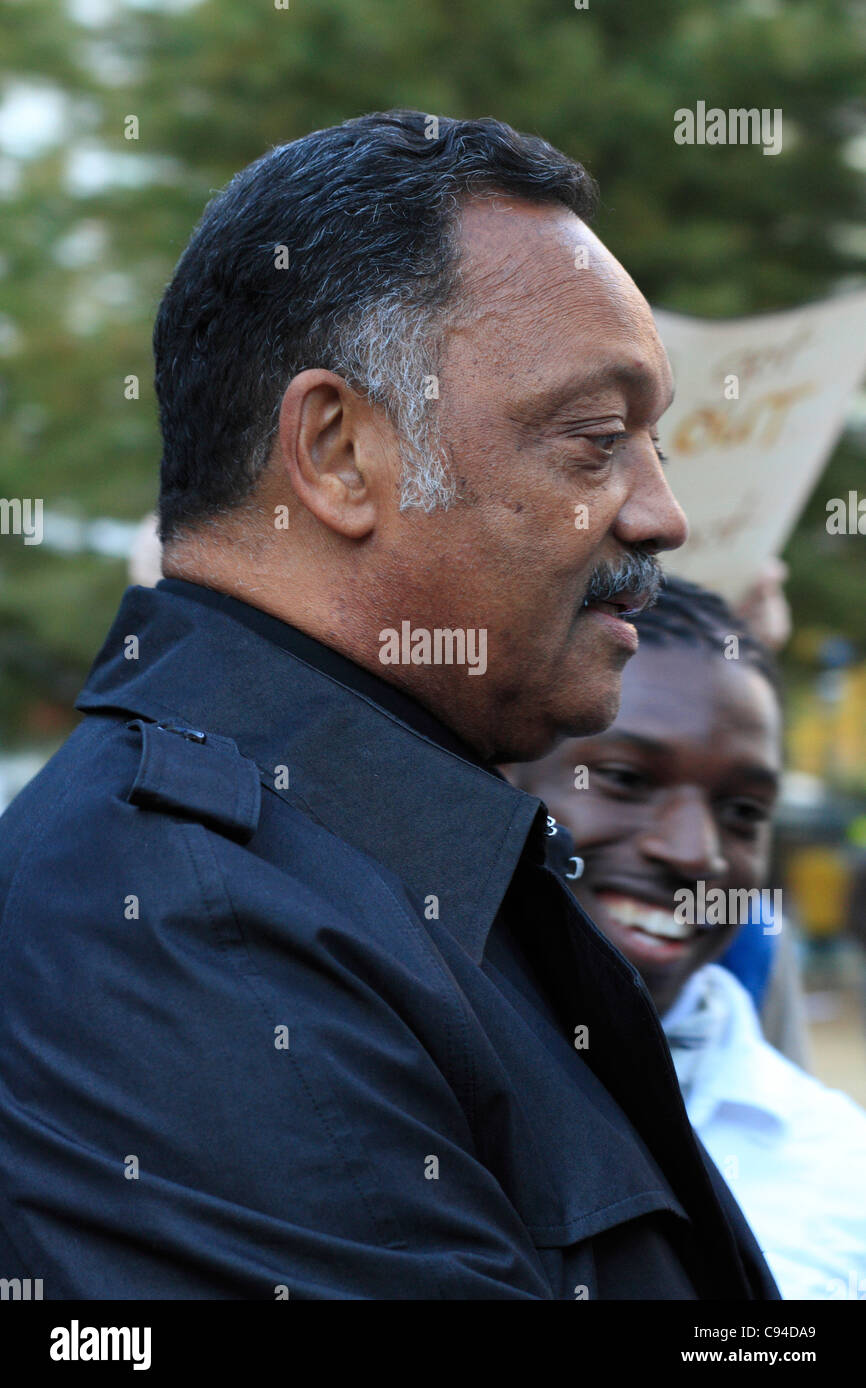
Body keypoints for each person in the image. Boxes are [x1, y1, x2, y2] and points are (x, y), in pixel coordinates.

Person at [0, 111, 777, 1300]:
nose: (659, 514)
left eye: (653, 443)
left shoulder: (369, 862)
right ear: (337, 452)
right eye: (595, 439)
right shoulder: (186, 921)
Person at [508, 574, 866, 1299]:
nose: (695, 852)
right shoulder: (385, 1077)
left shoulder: (836, 1164)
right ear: (503, 778)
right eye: (625, 780)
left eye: (741, 811)